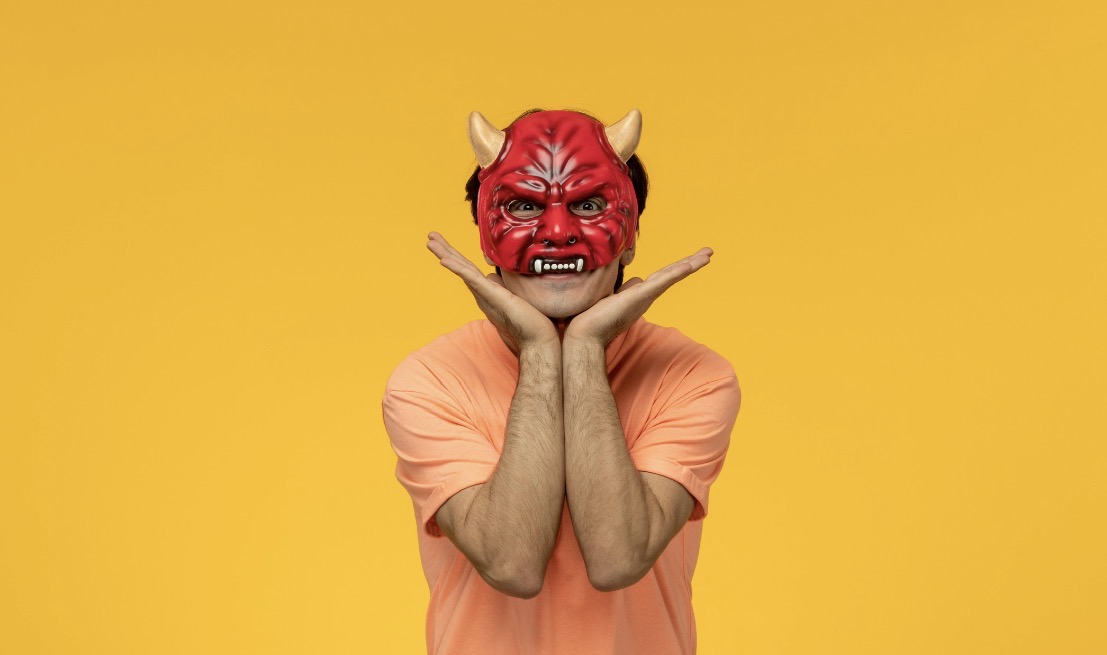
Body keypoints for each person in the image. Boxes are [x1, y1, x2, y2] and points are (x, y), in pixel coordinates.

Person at [382, 108, 741, 655]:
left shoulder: (693, 376)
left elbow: (618, 558)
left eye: (590, 206)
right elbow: (512, 564)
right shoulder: (429, 382)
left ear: (630, 237)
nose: (556, 234)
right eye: (525, 207)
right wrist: (540, 356)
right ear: (486, 237)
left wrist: (584, 352)